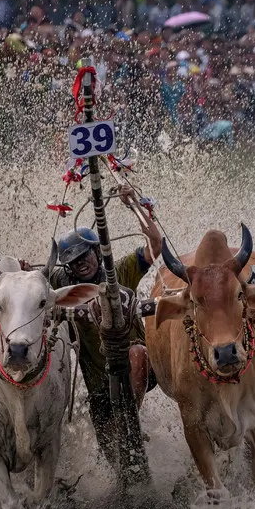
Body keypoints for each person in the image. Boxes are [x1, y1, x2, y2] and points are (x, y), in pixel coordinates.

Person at [48, 184, 164, 473]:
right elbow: (31, 289)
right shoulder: (62, 282)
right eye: (74, 261)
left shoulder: (120, 270)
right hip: (98, 384)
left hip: (136, 368)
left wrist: (134, 205)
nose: (81, 264)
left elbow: (155, 246)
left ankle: (129, 419)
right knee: (117, 462)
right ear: (67, 266)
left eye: (85, 256)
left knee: (136, 352)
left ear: (97, 253)